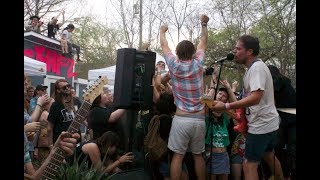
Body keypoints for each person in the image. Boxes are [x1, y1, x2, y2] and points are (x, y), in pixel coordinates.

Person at [210, 35, 284, 180]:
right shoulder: (252, 69)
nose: (234, 51)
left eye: (238, 48)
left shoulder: (257, 68)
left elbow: (256, 97)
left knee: (249, 165)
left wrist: (226, 105)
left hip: (261, 125)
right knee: (269, 155)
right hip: (266, 123)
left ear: (249, 51)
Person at [159, 14, 209, 180]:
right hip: (199, 120)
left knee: (178, 156)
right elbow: (203, 41)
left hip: (181, 119)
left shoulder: (173, 64)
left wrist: (162, 31)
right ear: (194, 53)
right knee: (198, 156)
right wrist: (203, 23)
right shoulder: (198, 63)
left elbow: (164, 45)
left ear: (177, 53)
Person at [268, 65, 296, 180]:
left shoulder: (280, 80)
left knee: (290, 149)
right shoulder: (281, 81)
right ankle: (280, 173)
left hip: (291, 118)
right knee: (281, 147)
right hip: (285, 118)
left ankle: (286, 175)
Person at [69, 131, 134, 174]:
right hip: (69, 170)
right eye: (115, 146)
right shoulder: (93, 147)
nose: (115, 149)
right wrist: (119, 161)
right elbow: (100, 172)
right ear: (110, 145)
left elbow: (110, 167)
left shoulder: (102, 149)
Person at [47, 79, 82, 147]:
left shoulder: (76, 101)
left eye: (68, 86)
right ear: (58, 90)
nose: (67, 88)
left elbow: (82, 118)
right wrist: (51, 146)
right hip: (61, 143)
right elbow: (49, 128)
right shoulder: (55, 105)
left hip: (76, 141)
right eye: (64, 87)